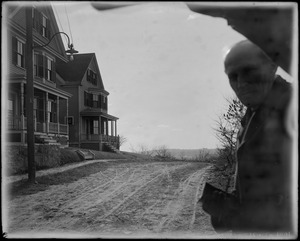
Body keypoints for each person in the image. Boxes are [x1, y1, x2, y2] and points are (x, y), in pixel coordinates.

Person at [209, 40, 293, 234]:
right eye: (233, 76)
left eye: (249, 72)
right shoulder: (249, 117)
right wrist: (228, 207)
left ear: (272, 66)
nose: (240, 84)